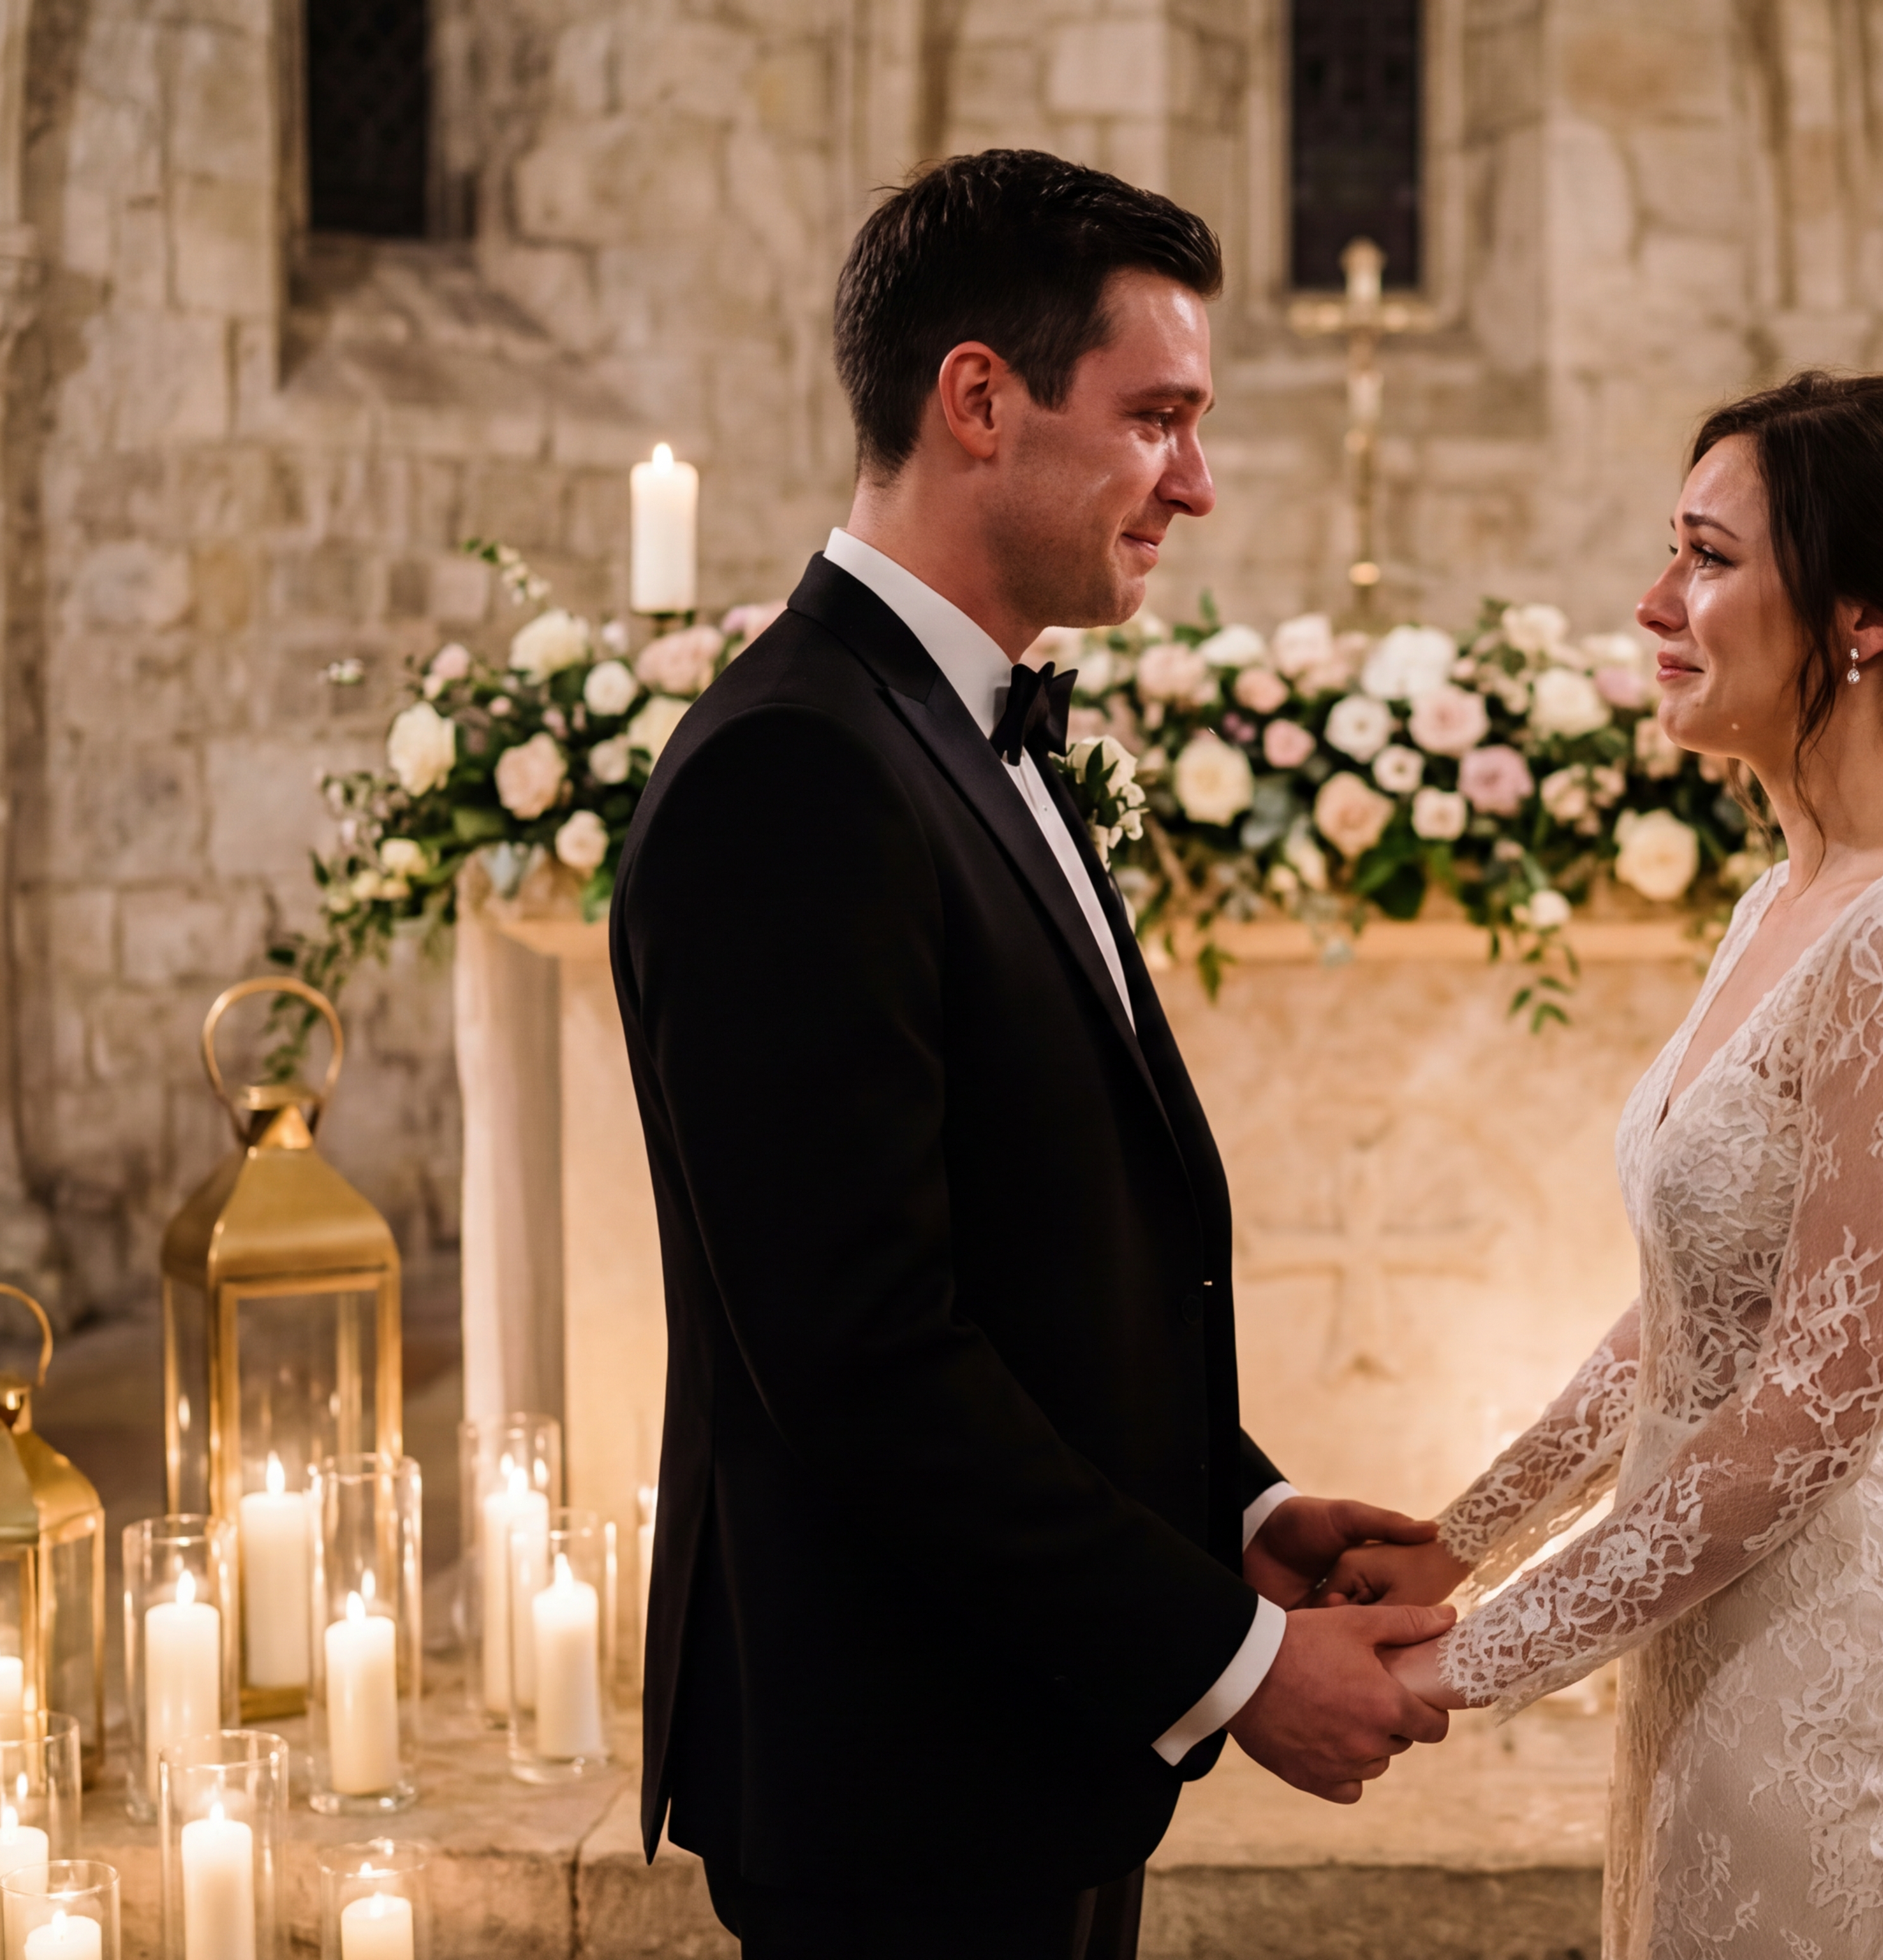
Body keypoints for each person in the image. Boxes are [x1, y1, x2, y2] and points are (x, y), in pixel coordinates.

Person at [611, 149, 1453, 1960]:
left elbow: (1032, 1261)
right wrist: (1228, 1668)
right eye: (1159, 419)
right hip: (900, 1779)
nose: (1199, 485)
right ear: (978, 398)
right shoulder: (795, 772)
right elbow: (864, 1355)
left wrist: (1237, 1507)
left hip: (1023, 1728)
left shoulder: (953, 724)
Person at [1327, 372, 1883, 1958]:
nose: (1656, 603)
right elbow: (1686, 1322)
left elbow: (1808, 1414)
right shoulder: (1786, 897)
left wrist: (1461, 1661)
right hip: (1710, 1658)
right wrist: (1461, 1540)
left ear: (1860, 618)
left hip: (1838, 1687)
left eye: (1707, 558)